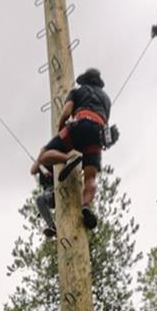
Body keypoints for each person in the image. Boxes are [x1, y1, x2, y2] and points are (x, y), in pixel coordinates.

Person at [29, 67, 111, 231]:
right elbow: (105, 120)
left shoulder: (77, 92)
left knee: (44, 155)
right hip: (99, 133)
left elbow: (66, 112)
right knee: (90, 178)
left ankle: (69, 158)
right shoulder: (106, 99)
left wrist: (61, 132)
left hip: (81, 123)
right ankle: (86, 205)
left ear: (84, 81)